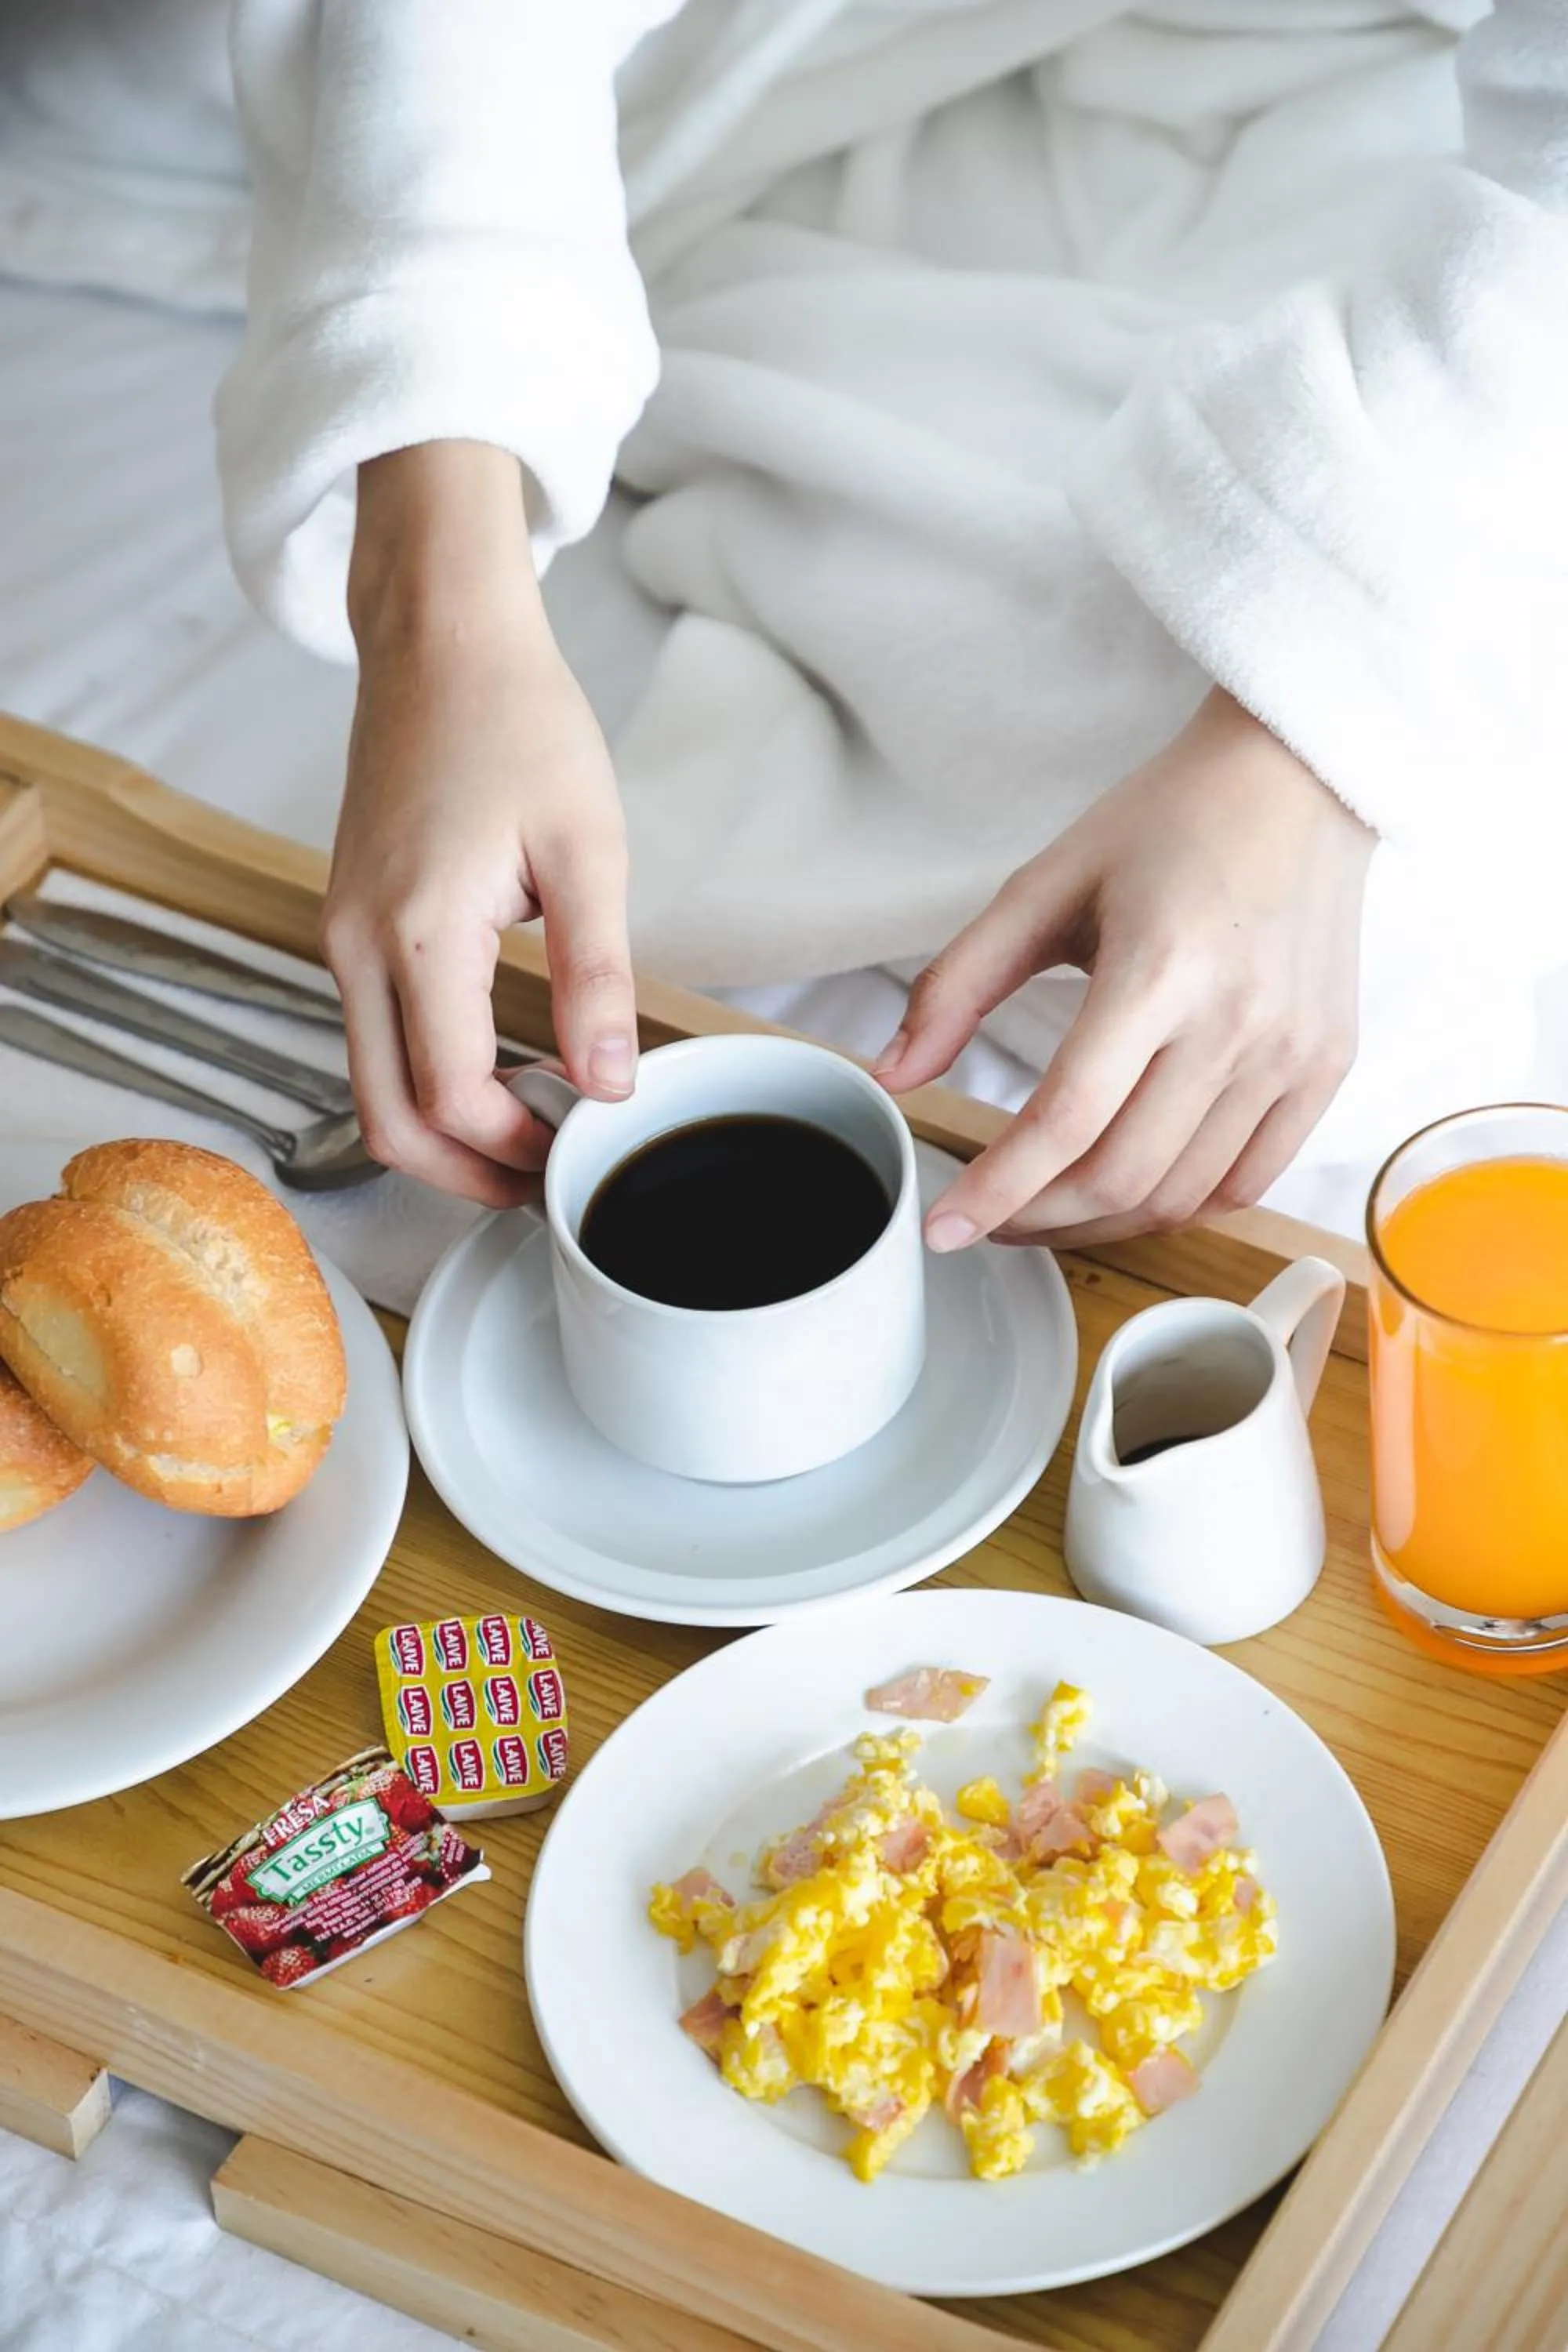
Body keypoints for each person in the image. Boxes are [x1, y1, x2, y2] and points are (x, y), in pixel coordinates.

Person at [213, 0, 1568, 1247]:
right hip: (848, 76)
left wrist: (1306, 727)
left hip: (1428, 109)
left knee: (1340, 943)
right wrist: (437, 618)